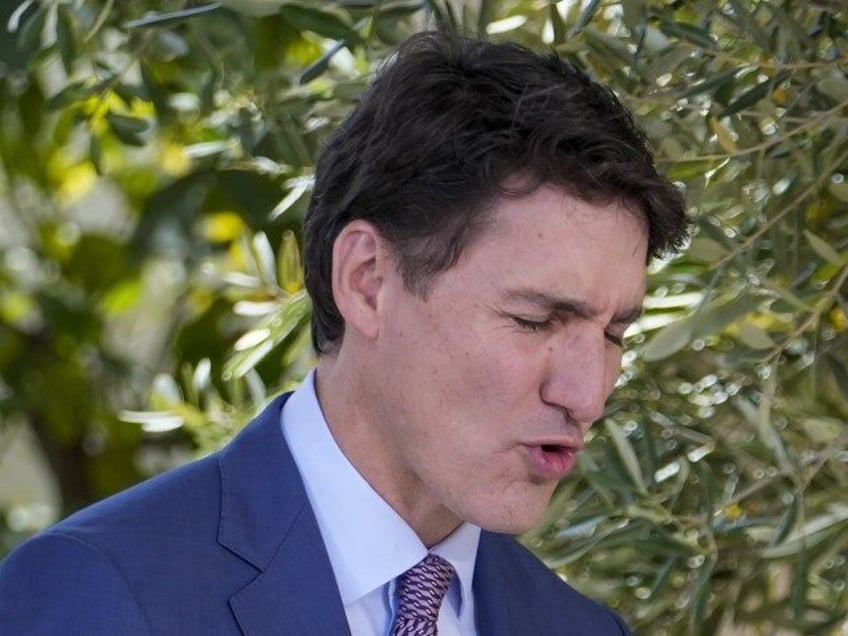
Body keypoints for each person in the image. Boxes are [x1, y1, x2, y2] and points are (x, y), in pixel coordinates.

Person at [0, 31, 688, 635]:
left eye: (613, 335)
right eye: (536, 319)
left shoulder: (581, 630)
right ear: (367, 281)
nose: (587, 394)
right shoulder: (104, 592)